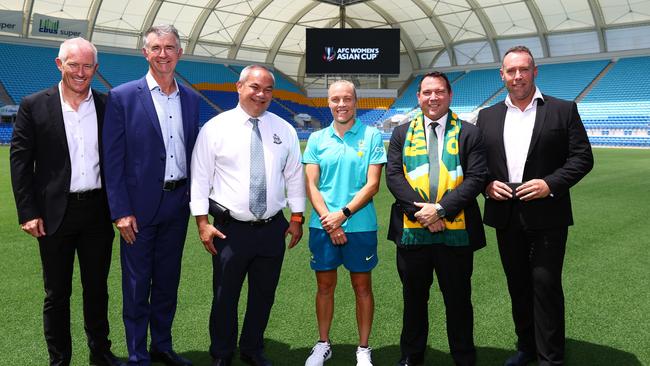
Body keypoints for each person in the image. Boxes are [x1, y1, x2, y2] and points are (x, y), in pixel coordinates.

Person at [476, 46, 594, 366]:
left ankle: (550, 357)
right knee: (518, 286)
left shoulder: (562, 110)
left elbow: (583, 158)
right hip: (505, 213)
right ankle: (526, 347)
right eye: (510, 71)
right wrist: (486, 184)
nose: (517, 76)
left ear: (535, 72)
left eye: (523, 70)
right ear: (502, 75)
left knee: (545, 285)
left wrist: (550, 184)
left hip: (548, 214)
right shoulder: (487, 116)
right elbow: (476, 162)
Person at [9, 38, 123, 366]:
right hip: (54, 214)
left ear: (96, 70)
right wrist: (28, 211)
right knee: (56, 294)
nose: (81, 72)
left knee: (96, 289)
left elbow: (118, 159)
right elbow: (20, 162)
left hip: (98, 213)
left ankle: (100, 353)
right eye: (74, 64)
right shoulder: (34, 104)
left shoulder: (107, 105)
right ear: (60, 65)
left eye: (88, 66)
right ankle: (59, 359)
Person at [189, 64, 305, 366]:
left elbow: (294, 176)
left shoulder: (285, 129)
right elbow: (200, 178)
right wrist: (202, 223)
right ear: (239, 87)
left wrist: (297, 217)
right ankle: (222, 353)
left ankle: (253, 349)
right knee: (225, 296)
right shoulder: (215, 128)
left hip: (272, 228)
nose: (261, 94)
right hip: (230, 230)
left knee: (263, 295)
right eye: (255, 87)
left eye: (268, 89)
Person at [102, 24, 199, 366]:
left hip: (177, 205)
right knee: (136, 283)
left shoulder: (190, 98)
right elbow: (112, 161)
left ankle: (162, 345)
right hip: (137, 211)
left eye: (169, 47)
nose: (163, 54)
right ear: (145, 52)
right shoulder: (123, 97)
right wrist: (121, 211)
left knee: (167, 282)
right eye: (156, 47)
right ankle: (137, 353)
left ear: (179, 53)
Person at [386, 72, 487, 366]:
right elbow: (393, 177)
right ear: (418, 97)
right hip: (412, 231)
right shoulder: (401, 133)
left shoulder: (469, 133)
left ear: (449, 95)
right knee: (414, 299)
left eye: (439, 92)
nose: (433, 97)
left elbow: (477, 178)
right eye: (427, 92)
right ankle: (411, 354)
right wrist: (424, 214)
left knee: (458, 300)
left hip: (457, 232)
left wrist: (440, 209)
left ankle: (463, 355)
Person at [302, 80, 387, 366]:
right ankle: (323, 343)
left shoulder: (372, 136)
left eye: (347, 98)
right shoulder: (316, 139)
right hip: (323, 225)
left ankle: (363, 349)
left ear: (356, 101)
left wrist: (343, 215)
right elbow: (312, 185)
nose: (341, 104)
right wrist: (331, 221)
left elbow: (372, 185)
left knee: (362, 287)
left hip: (360, 225)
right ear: (328, 102)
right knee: (324, 287)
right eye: (335, 99)